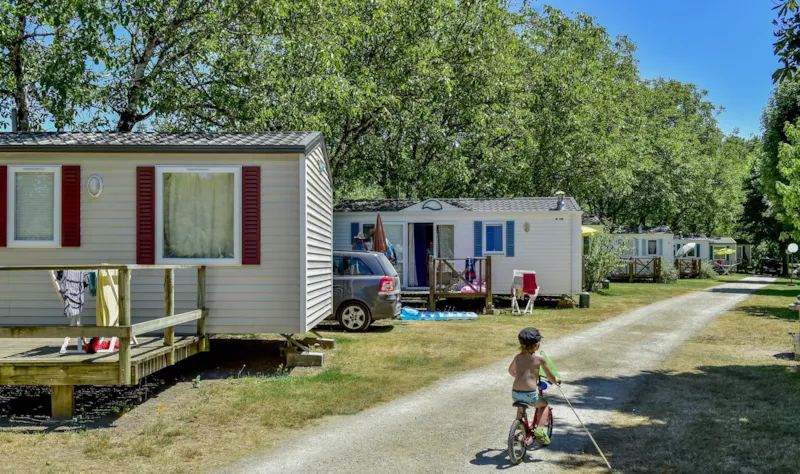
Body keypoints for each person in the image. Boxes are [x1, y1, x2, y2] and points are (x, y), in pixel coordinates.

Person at [508, 327, 560, 446]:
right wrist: (556, 380)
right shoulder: (539, 358)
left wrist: (518, 376)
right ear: (536, 346)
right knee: (544, 405)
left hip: (515, 393)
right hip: (530, 394)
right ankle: (540, 429)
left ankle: (519, 423)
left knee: (521, 405)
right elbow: (550, 376)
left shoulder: (517, 357)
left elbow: (511, 371)